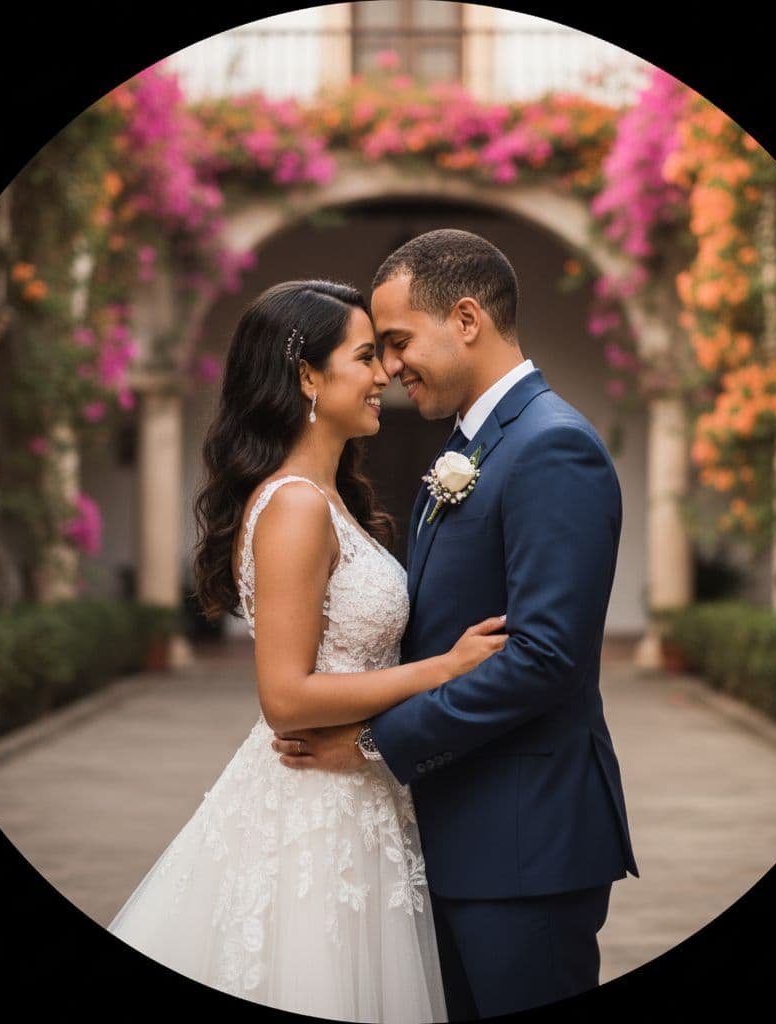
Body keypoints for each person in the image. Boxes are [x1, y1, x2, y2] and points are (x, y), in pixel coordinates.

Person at [106, 279, 508, 1022]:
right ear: (306, 376)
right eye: (365, 356)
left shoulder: (328, 500)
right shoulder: (293, 506)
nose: (384, 373)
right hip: (315, 812)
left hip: (360, 792)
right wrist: (444, 669)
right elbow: (285, 697)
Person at [272, 229, 639, 1019]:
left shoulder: (552, 447)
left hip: (524, 843)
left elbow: (544, 658)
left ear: (466, 319)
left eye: (398, 342)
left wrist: (371, 745)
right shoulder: (474, 449)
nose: (391, 368)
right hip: (456, 833)